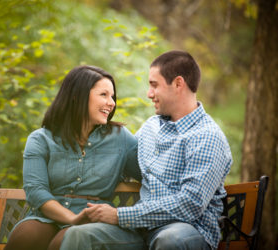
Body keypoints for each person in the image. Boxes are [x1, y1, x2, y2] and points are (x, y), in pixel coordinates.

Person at [60, 51, 233, 250]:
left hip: (187, 230)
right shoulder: (151, 126)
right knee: (79, 235)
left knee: (170, 240)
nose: (149, 94)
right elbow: (119, 163)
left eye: (154, 85)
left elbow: (189, 204)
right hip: (141, 229)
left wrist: (119, 215)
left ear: (178, 84)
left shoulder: (207, 137)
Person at [4, 65, 143, 250]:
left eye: (112, 96)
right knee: (26, 237)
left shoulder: (120, 138)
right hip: (47, 215)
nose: (112, 103)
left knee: (65, 240)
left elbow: (149, 174)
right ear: (77, 96)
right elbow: (36, 191)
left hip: (92, 219)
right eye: (104, 95)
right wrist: (71, 218)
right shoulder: (41, 139)